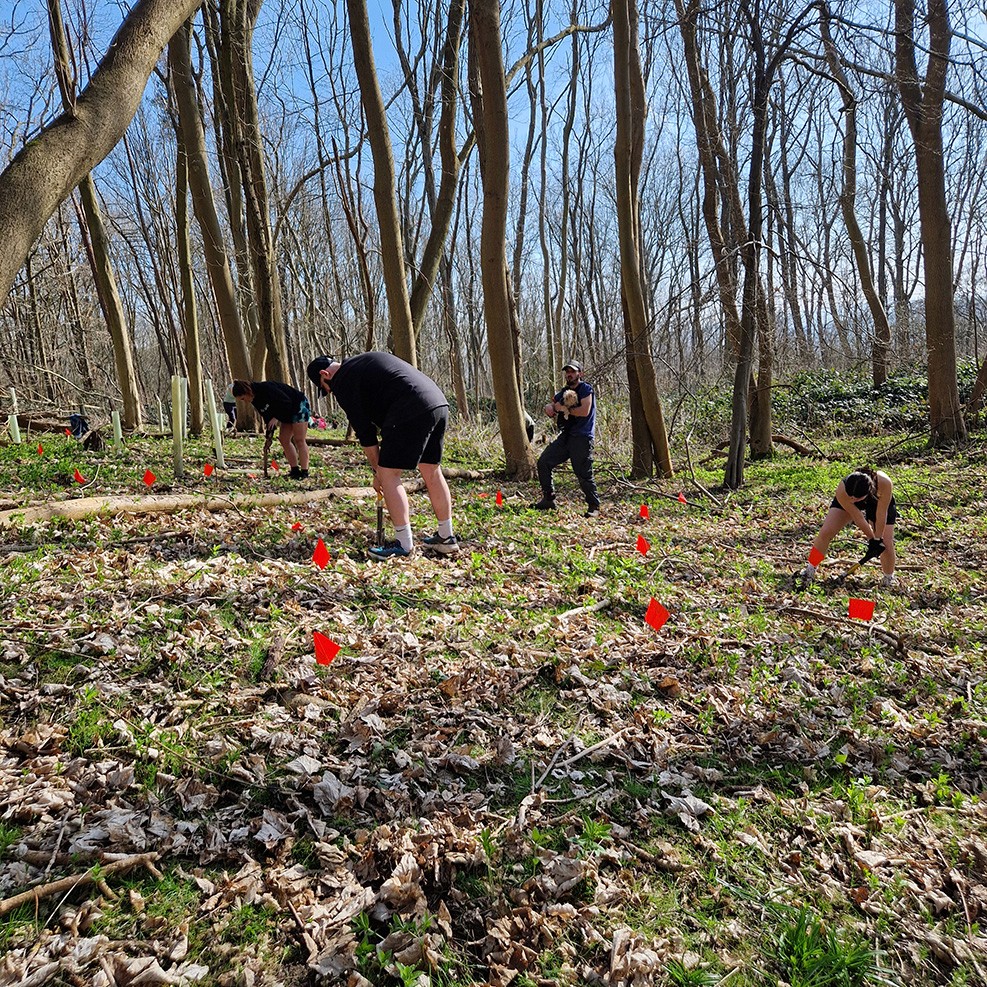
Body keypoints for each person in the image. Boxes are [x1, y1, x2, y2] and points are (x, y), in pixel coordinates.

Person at [306, 353, 459, 560]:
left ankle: (403, 545)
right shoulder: (362, 363)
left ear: (325, 374)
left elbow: (366, 435)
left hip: (410, 406)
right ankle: (446, 536)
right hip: (437, 403)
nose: (330, 392)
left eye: (326, 388)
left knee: (389, 475)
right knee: (431, 470)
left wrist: (378, 471)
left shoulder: (344, 381)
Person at [800, 467, 897, 587]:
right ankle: (810, 568)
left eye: (855, 498)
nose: (852, 499)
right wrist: (871, 539)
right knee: (826, 532)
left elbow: (881, 513)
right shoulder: (843, 490)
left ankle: (888, 578)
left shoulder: (884, 483)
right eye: (850, 497)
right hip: (854, 500)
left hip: (878, 502)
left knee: (886, 542)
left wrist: (878, 539)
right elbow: (858, 517)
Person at [532, 361, 600, 518]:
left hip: (582, 437)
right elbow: (553, 405)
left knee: (583, 472)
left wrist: (565, 409)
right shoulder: (564, 391)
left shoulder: (586, 389)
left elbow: (584, 410)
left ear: (580, 374)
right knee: (544, 462)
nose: (569, 374)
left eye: (573, 371)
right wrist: (550, 408)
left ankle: (594, 505)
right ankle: (548, 499)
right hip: (566, 436)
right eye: (567, 371)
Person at [231, 379, 311, 480]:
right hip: (284, 413)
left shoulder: (266, 388)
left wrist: (276, 417)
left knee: (299, 439)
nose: (245, 402)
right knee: (284, 439)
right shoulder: (255, 400)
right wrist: (269, 436)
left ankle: (304, 472)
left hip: (297, 405)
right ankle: (294, 470)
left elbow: (286, 402)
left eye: (243, 399)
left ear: (247, 392)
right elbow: (267, 417)